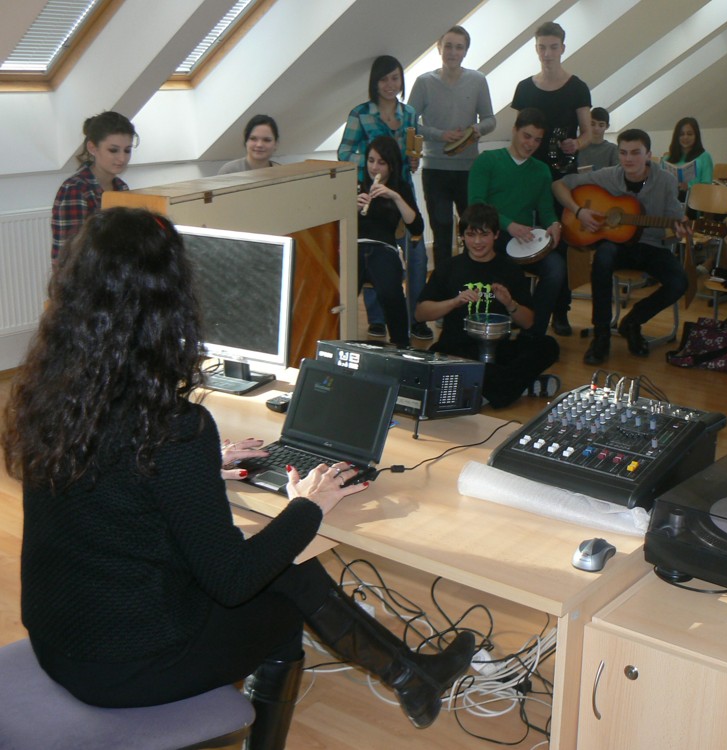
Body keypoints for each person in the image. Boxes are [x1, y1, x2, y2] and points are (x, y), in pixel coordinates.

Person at [1, 207, 474, 749]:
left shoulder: (49, 396)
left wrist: (195, 470)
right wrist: (309, 505)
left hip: (58, 640)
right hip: (123, 670)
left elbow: (114, 485)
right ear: (171, 304)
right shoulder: (173, 430)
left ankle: (412, 677)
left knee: (285, 565)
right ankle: (406, 679)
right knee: (281, 594)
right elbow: (234, 579)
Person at [553, 128, 691, 365]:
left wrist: (678, 231)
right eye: (623, 152)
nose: (628, 159)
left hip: (652, 246)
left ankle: (632, 322)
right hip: (616, 244)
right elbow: (559, 185)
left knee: (680, 282)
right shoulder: (608, 176)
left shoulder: (666, 181)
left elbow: (674, 222)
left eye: (635, 153)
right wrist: (579, 211)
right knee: (603, 258)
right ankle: (601, 335)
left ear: (648, 155)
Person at [415, 204, 560, 406]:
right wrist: (454, 302)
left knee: (548, 346)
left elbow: (528, 323)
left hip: (498, 348)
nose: (477, 242)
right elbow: (420, 314)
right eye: (470, 235)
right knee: (431, 359)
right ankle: (514, 387)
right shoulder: (449, 267)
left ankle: (485, 387)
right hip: (458, 348)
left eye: (484, 235)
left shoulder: (510, 269)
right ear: (462, 236)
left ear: (496, 235)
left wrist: (510, 303)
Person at [339, 56, 431, 341]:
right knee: (370, 248)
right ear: (374, 82)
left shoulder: (409, 113)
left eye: (395, 78)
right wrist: (375, 161)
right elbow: (344, 153)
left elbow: (412, 151)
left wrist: (411, 161)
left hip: (400, 189)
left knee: (416, 254)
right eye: (383, 79)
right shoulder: (360, 113)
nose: (390, 85)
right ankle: (376, 320)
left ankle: (415, 318)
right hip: (369, 188)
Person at [511, 21, 592, 336]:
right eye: (542, 47)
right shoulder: (524, 88)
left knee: (560, 242)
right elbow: (518, 133)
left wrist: (577, 144)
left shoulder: (577, 87)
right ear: (536, 49)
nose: (547, 53)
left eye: (553, 47)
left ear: (562, 48)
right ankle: (523, 308)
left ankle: (560, 311)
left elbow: (587, 133)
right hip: (526, 173)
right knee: (522, 237)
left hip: (561, 175)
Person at [467, 107, 565, 338]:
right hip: (492, 237)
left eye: (537, 140)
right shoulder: (488, 160)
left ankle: (533, 333)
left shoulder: (541, 171)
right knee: (500, 274)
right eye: (527, 136)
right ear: (514, 130)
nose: (531, 144)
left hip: (524, 241)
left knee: (556, 268)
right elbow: (475, 205)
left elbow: (546, 210)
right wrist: (509, 225)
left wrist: (554, 224)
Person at [408, 25, 496, 273]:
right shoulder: (424, 82)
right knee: (442, 231)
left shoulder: (478, 80)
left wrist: (476, 130)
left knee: (473, 231)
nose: (453, 52)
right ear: (439, 48)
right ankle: (444, 285)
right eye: (448, 46)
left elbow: (490, 119)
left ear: (466, 51)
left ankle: (471, 281)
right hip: (435, 169)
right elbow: (409, 123)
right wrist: (440, 134)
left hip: (469, 170)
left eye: (459, 47)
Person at [356, 136, 422, 349]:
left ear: (391, 166)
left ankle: (401, 344)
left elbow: (417, 227)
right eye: (371, 160)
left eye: (381, 162)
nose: (374, 167)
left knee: (390, 292)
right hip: (354, 247)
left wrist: (395, 197)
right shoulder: (357, 185)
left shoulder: (400, 188)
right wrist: (351, 208)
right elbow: (335, 224)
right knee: (339, 294)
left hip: (383, 248)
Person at [50, 111, 136, 266]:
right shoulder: (76, 189)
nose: (122, 158)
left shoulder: (121, 187)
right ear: (92, 148)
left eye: (127, 150)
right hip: (85, 276)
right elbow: (69, 256)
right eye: (113, 150)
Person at [660, 116, 714, 199]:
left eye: (689, 134)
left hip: (693, 200)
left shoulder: (704, 157)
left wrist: (689, 187)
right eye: (681, 134)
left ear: (696, 136)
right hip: (669, 199)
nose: (685, 137)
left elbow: (706, 186)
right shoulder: (666, 159)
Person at [577, 107, 618, 171]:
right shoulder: (578, 146)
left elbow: (617, 173)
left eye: (601, 125)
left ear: (607, 126)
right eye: (592, 124)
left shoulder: (613, 149)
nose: (596, 128)